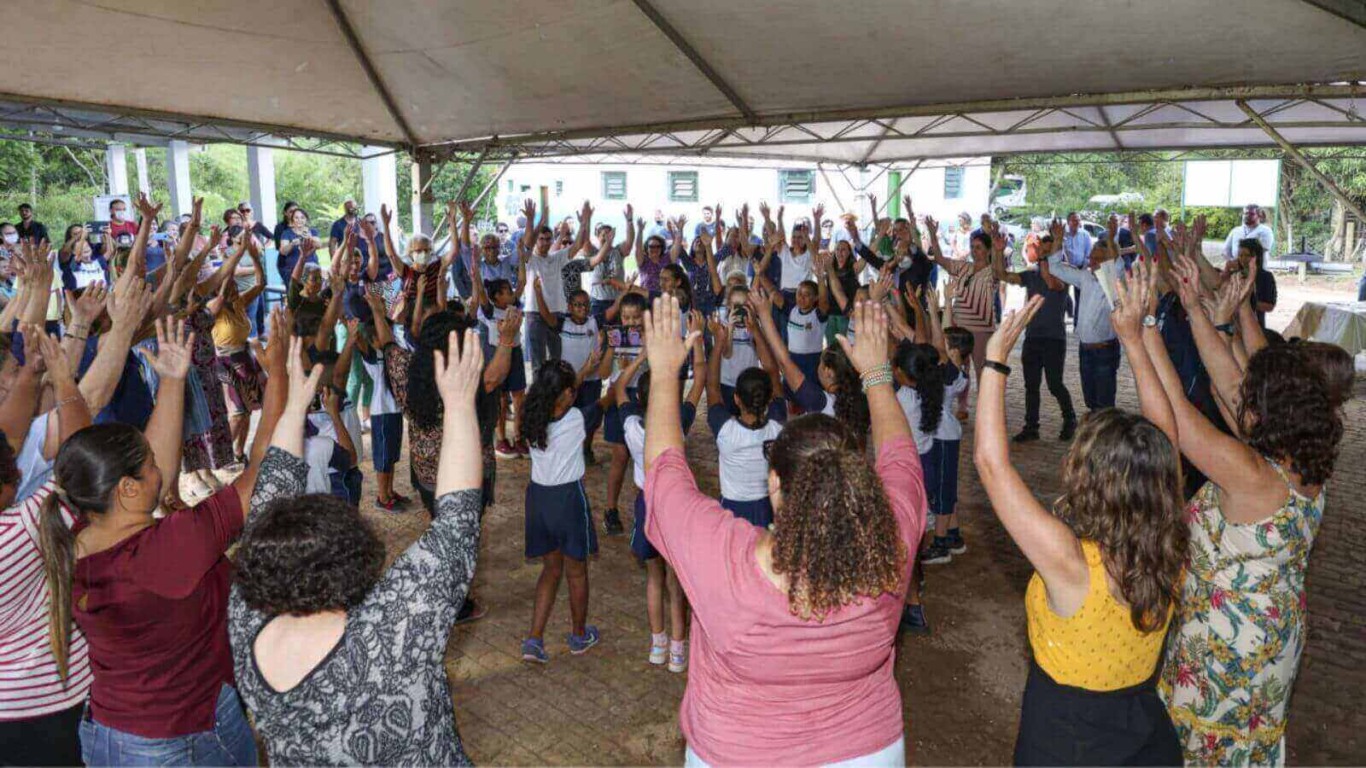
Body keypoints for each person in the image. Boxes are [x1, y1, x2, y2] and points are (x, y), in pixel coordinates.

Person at [642, 295, 924, 766]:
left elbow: (664, 472)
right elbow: (902, 463)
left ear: (775, 484)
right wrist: (876, 373)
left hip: (738, 752)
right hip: (865, 749)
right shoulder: (888, 547)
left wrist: (666, 375)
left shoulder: (723, 554)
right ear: (859, 480)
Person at [229, 322, 484, 765]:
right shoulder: (390, 632)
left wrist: (294, 406)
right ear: (355, 562)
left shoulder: (246, 614)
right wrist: (460, 404)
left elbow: (269, 493)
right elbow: (458, 522)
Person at [41, 318, 274, 766]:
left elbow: (109, 460)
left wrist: (171, 381)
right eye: (149, 466)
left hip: (117, 733)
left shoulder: (77, 531)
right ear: (127, 488)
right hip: (180, 740)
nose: (162, 472)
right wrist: (282, 383)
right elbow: (260, 472)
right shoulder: (169, 549)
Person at [975, 276, 1186, 766]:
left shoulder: (1073, 564)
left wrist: (994, 360)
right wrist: (1134, 339)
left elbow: (991, 464)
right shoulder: (1170, 538)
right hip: (1143, 734)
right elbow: (1167, 438)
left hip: (1066, 741)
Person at [1150, 254, 1345, 765]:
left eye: (1249, 403)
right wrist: (1210, 312)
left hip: (1224, 655)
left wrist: (1143, 329)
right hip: (1272, 645)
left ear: (1266, 413)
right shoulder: (1305, 462)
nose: (1238, 403)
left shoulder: (1251, 474)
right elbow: (1240, 377)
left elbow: (1177, 415)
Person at [380, 301, 516, 625]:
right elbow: (495, 376)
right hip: (466, 476)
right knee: (462, 538)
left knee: (441, 529)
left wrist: (376, 310)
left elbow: (386, 344)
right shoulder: (466, 378)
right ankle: (457, 601)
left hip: (427, 476)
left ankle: (445, 590)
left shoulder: (407, 369)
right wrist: (508, 340)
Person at [617, 334, 704, 671]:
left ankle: (658, 643)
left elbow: (619, 388)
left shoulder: (632, 427)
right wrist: (695, 343)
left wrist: (642, 357)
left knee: (654, 576)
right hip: (675, 505)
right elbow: (698, 383)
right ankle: (679, 650)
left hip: (647, 503)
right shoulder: (677, 421)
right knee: (675, 579)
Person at [519, 357, 608, 664]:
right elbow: (610, 396)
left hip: (538, 500)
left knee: (550, 569)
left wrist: (586, 369)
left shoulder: (531, 416)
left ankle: (534, 638)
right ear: (566, 395)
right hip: (568, 501)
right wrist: (631, 365)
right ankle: (580, 634)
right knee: (577, 572)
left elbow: (562, 394)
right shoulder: (575, 420)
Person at [994, 221, 1077, 442]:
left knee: (1054, 384)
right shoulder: (1030, 276)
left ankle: (1070, 419)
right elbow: (1001, 274)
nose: (1043, 255)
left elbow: (1051, 283)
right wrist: (998, 251)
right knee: (1031, 385)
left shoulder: (1062, 277)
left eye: (1048, 252)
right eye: (1042, 250)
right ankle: (1031, 427)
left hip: (1053, 339)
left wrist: (1048, 254)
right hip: (1032, 337)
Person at [1046, 224, 1121, 412]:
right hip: (1085, 350)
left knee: (1105, 405)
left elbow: (1116, 264)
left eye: (1097, 259)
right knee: (1090, 401)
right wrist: (1057, 240)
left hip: (1105, 351)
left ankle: (1105, 438)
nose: (1091, 262)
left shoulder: (1114, 282)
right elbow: (1054, 267)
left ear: (1107, 261)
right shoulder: (1085, 277)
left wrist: (1112, 238)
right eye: (1091, 258)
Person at [208, 235, 268, 464]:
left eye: (233, 285)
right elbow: (221, 294)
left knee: (248, 410)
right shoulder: (215, 307)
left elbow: (260, 284)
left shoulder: (239, 303)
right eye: (230, 285)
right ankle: (219, 456)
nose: (234, 288)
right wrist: (229, 268)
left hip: (244, 356)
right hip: (225, 360)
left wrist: (254, 257)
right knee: (237, 411)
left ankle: (238, 452)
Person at [523, 198, 592, 376]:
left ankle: (557, 395)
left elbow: (577, 245)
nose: (545, 242)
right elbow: (527, 243)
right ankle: (539, 399)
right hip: (535, 314)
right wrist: (534, 221)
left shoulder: (558, 257)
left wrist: (584, 223)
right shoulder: (530, 259)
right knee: (538, 363)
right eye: (541, 239)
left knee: (557, 360)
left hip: (558, 313)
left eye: (548, 239)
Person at [927, 217, 1000, 381]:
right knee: (957, 371)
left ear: (988, 251)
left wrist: (995, 242)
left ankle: (985, 405)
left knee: (983, 372)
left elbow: (997, 263)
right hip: (959, 329)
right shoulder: (963, 266)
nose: (974, 251)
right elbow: (939, 259)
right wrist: (933, 235)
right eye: (972, 247)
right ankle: (962, 405)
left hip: (981, 330)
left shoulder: (993, 272)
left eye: (979, 247)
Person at [1232, 238, 1277, 327]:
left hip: (1256, 327)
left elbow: (1269, 306)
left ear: (1256, 256)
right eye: (1240, 255)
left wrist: (1246, 303)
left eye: (1247, 255)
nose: (1243, 259)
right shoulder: (1234, 275)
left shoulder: (1266, 277)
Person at [277, 207, 322, 284]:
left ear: (306, 219)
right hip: (294, 269)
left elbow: (319, 245)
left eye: (302, 217)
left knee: (311, 292)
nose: (299, 220)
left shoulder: (312, 231)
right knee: (297, 293)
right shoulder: (287, 233)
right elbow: (283, 252)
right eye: (296, 218)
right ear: (292, 220)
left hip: (311, 269)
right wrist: (292, 244)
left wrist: (310, 237)